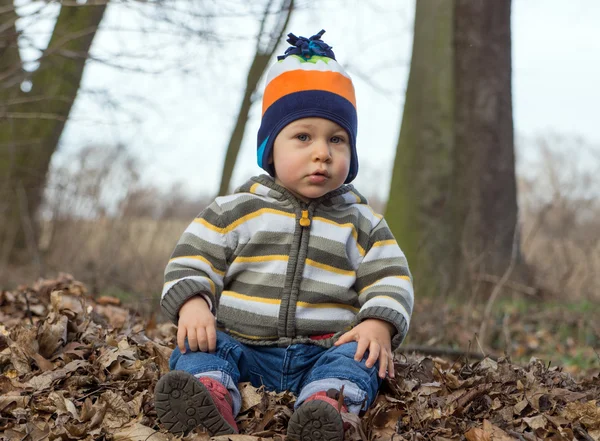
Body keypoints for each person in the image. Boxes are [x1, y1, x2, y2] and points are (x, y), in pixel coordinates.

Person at [154, 30, 413, 441]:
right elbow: (192, 257)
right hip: (244, 346)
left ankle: (326, 409)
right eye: (304, 137)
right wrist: (193, 305)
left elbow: (391, 277)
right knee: (201, 348)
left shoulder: (362, 222)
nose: (322, 152)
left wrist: (378, 323)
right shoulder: (235, 210)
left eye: (337, 139)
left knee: (358, 360)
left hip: (325, 350)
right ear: (271, 149)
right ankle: (210, 394)